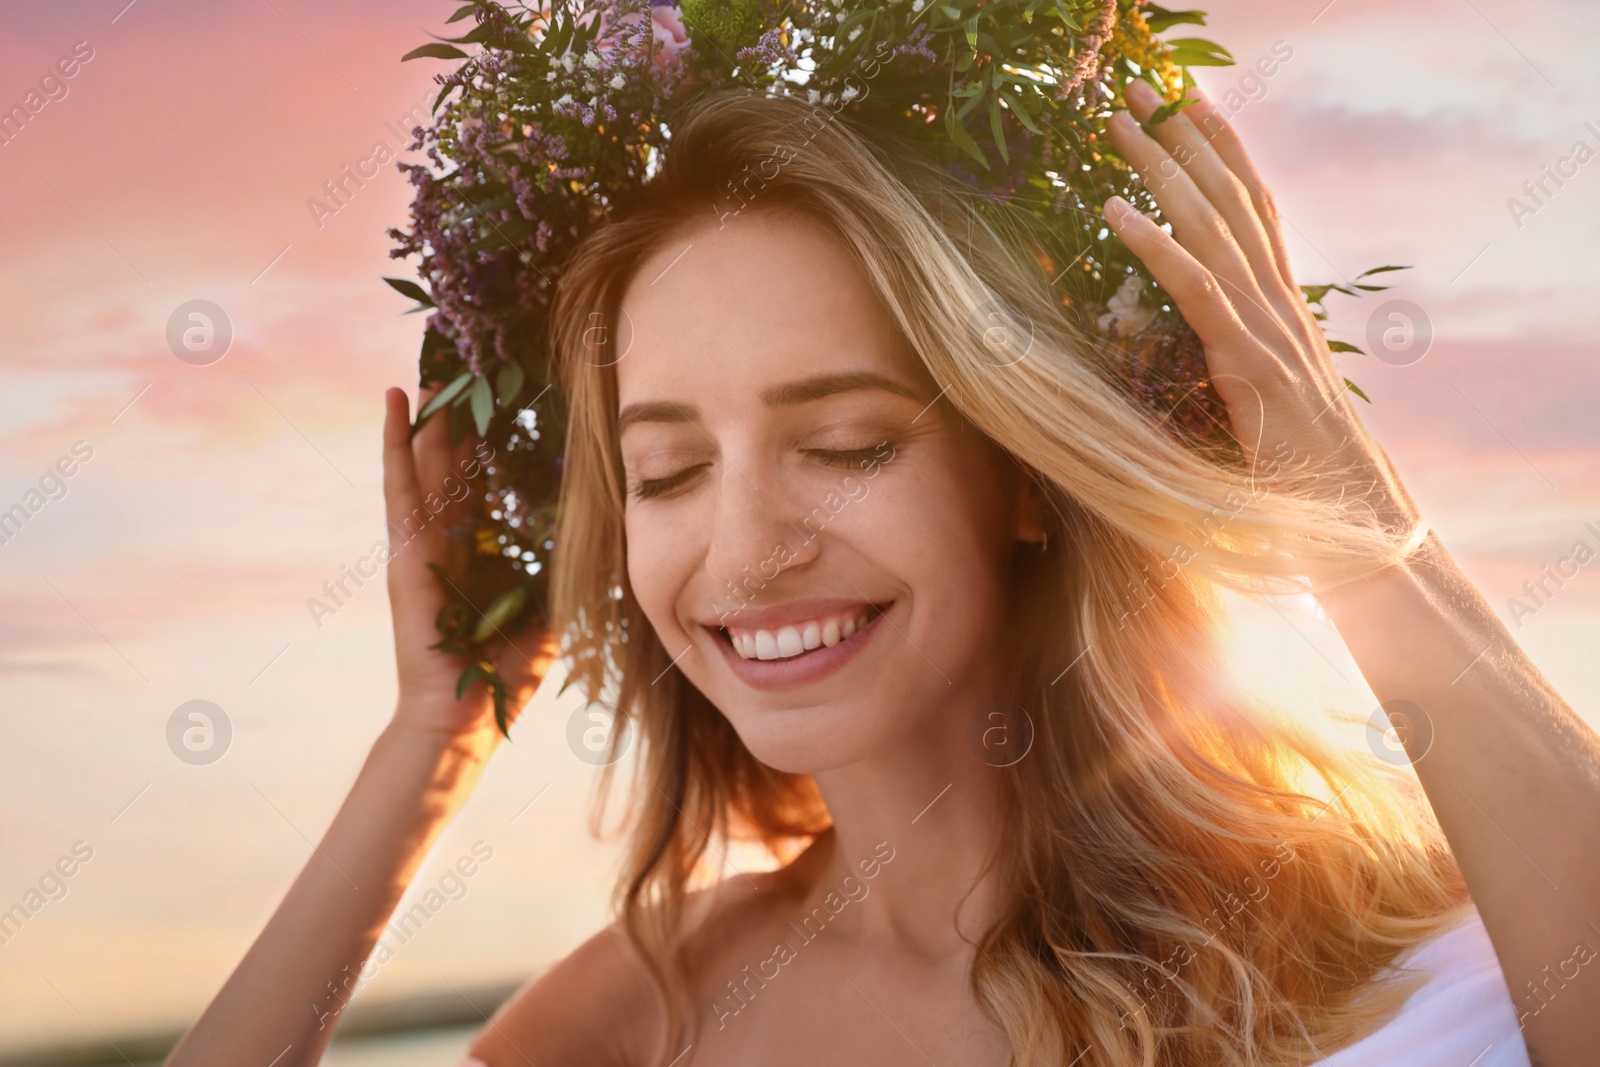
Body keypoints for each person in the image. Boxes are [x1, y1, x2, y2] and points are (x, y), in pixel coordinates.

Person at [167, 83, 1600, 1067]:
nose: (742, 550)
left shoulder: (1442, 913)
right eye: (666, 473)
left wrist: (1337, 494)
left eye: (846, 443)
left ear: (1025, 472)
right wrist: (433, 739)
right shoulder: (639, 1020)